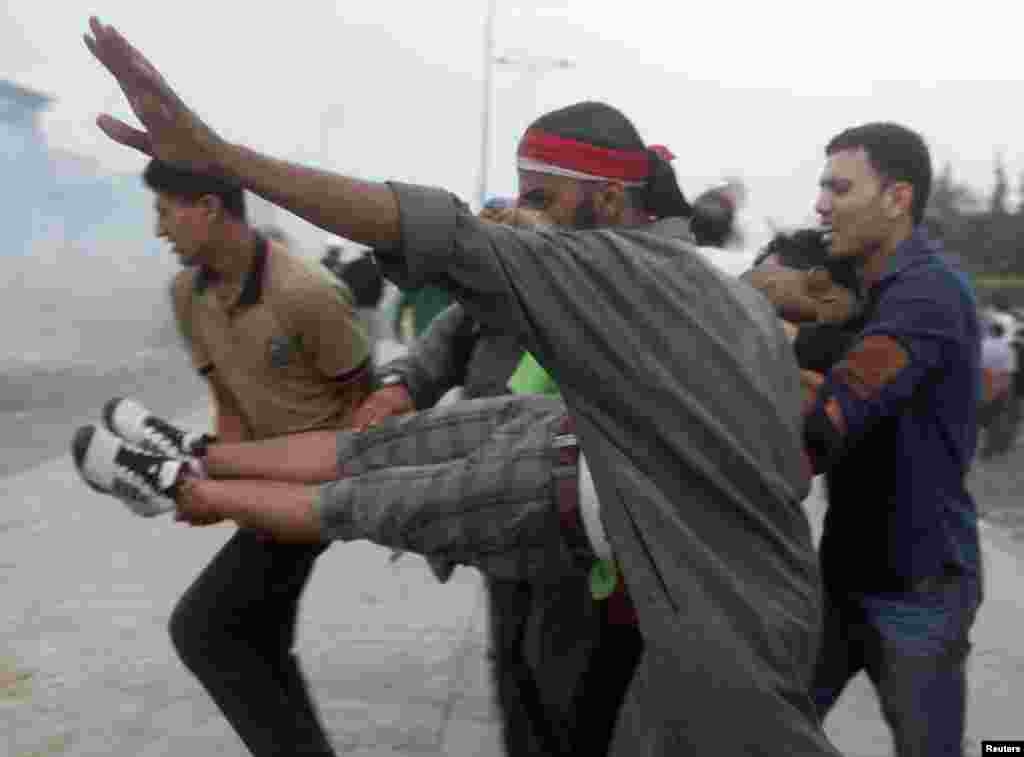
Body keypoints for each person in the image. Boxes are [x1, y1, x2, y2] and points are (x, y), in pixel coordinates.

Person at [81, 18, 840, 755]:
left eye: (542, 197)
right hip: (573, 454)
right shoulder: (707, 287)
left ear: (610, 202)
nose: (523, 213)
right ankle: (198, 459)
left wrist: (221, 157)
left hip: (637, 557)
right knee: (376, 459)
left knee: (366, 498)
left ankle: (187, 483)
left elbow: (434, 231)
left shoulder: (617, 272)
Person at [124, 158, 371, 757]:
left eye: (165, 212)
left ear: (208, 209)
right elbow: (228, 399)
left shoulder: (306, 292)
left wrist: (330, 498)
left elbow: (371, 412)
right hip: (261, 482)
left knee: (205, 631)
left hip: (319, 488)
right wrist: (224, 485)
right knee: (257, 640)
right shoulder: (188, 294)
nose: (159, 230)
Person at [802, 122, 982, 757]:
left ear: (896, 198)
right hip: (843, 574)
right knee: (758, 730)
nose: (821, 204)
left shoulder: (927, 294)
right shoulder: (862, 286)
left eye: (839, 187)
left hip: (918, 590)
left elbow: (834, 418)